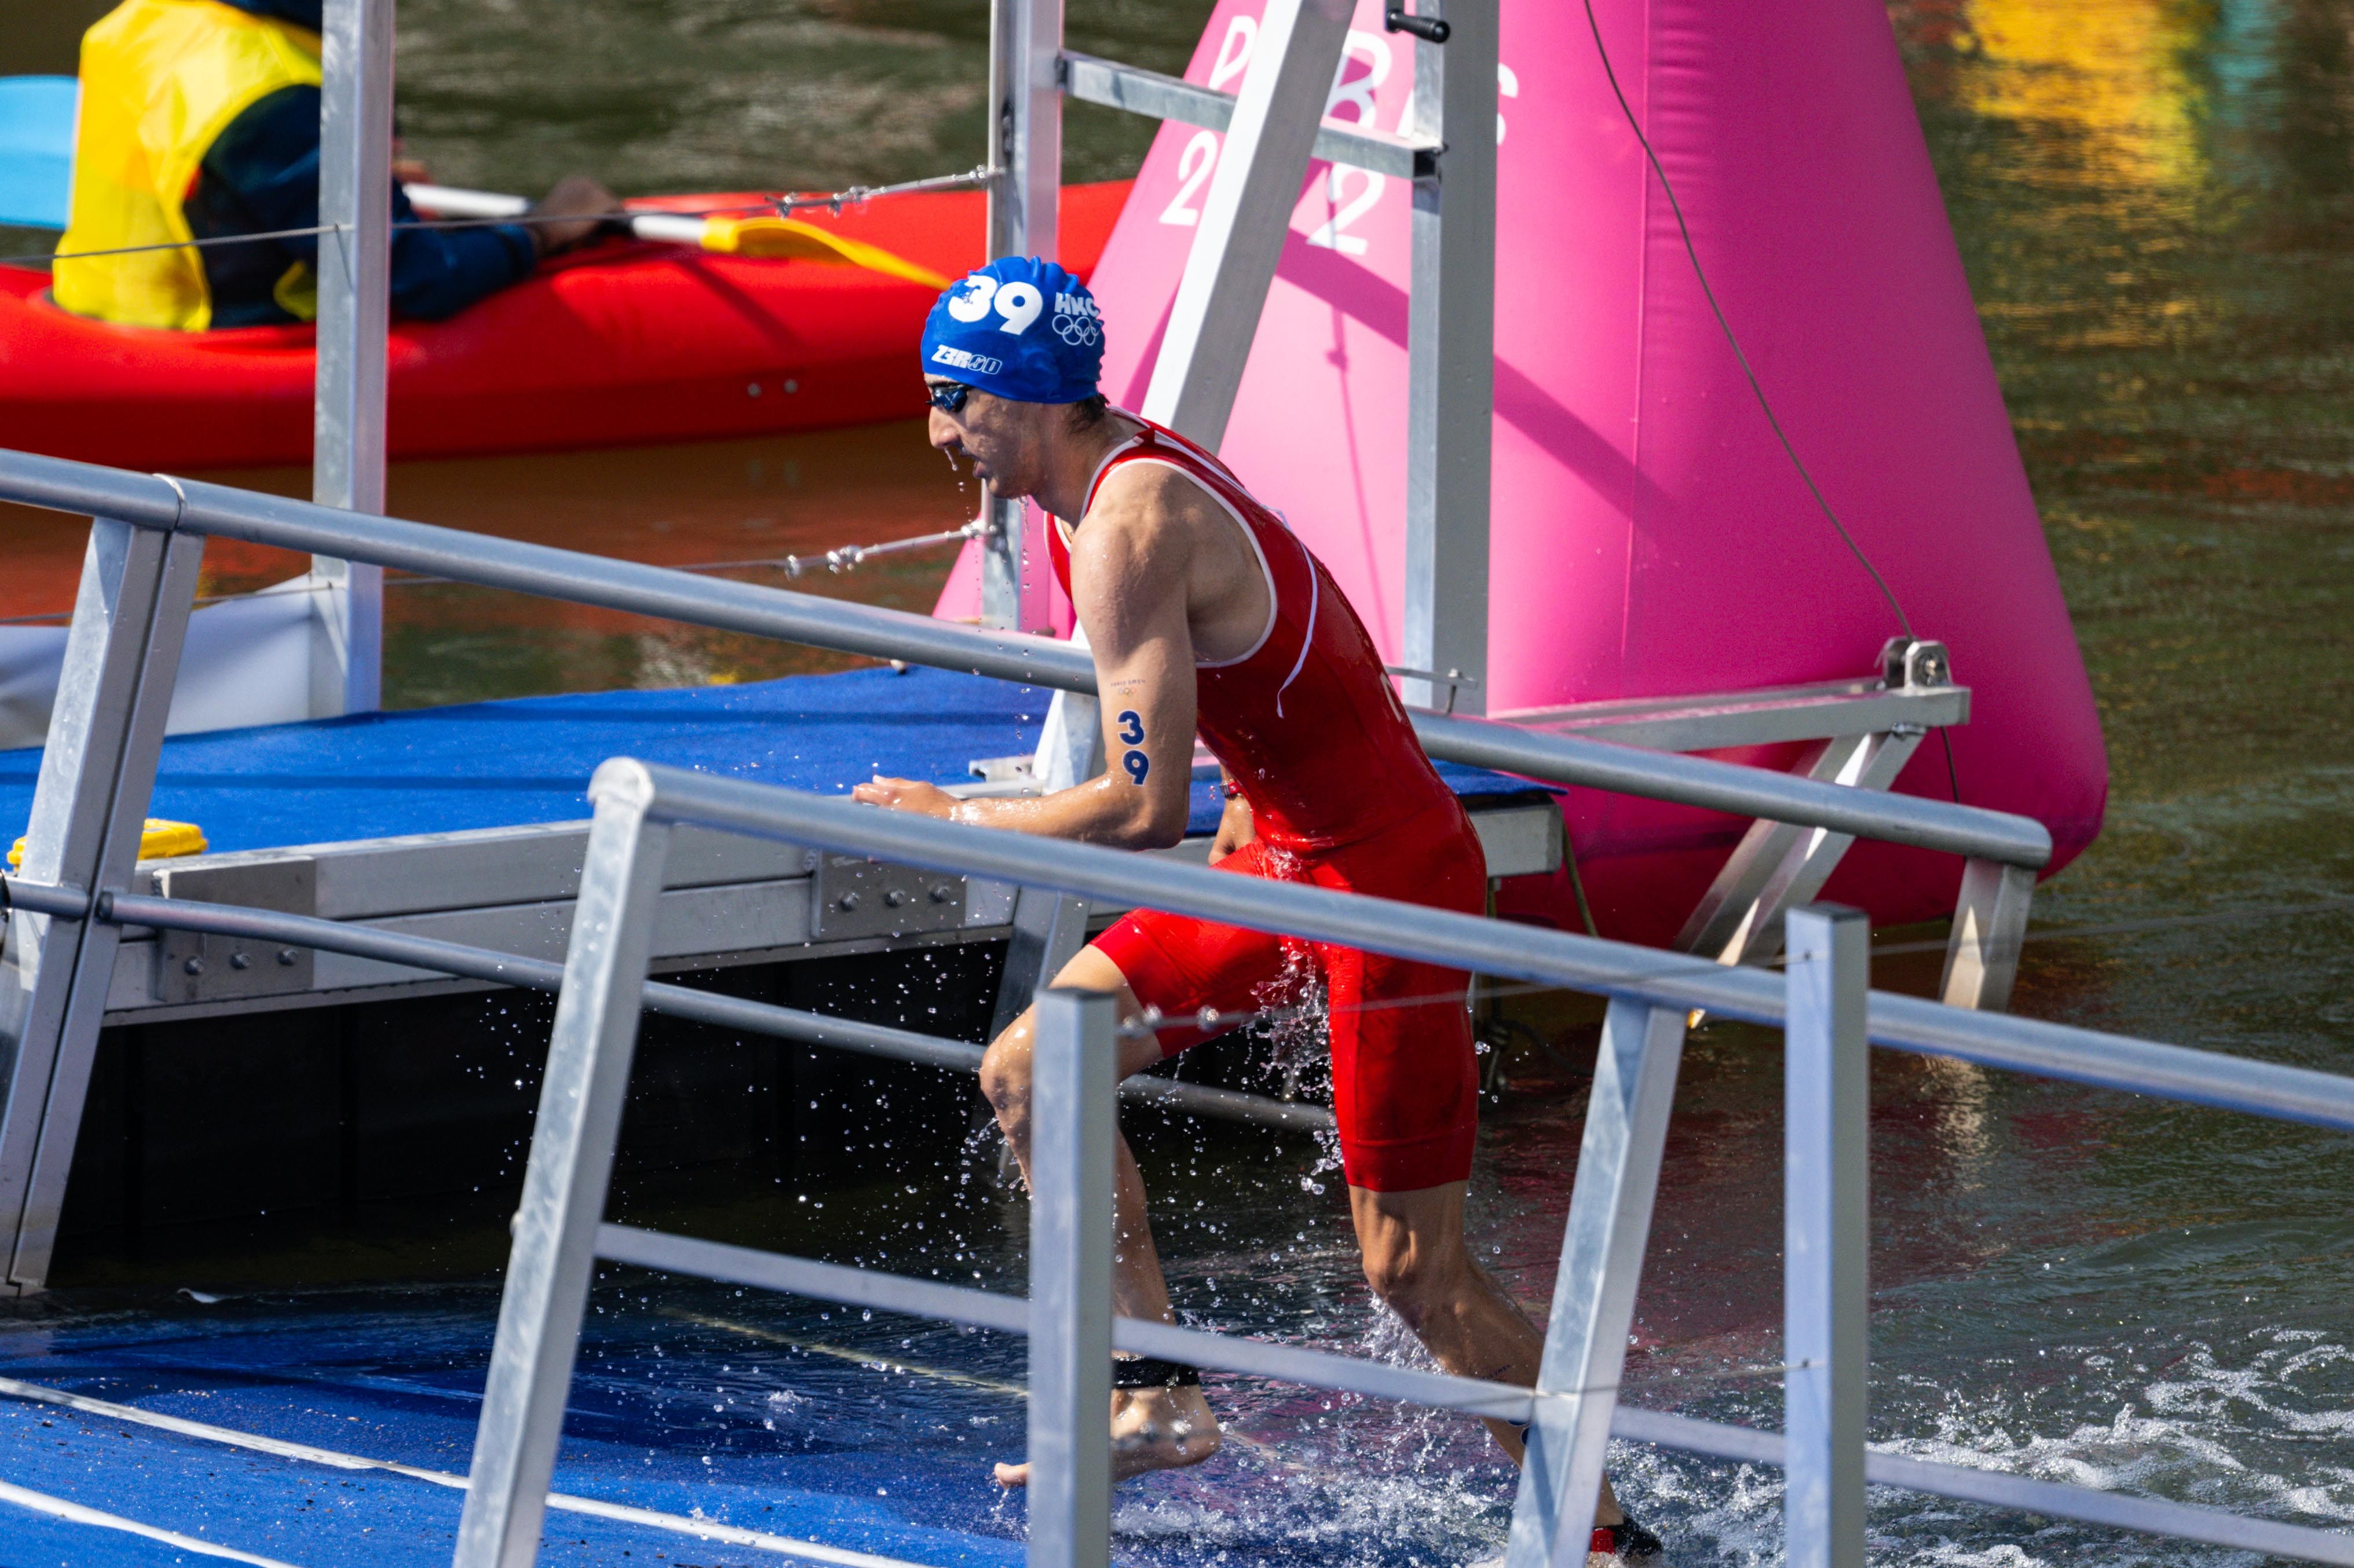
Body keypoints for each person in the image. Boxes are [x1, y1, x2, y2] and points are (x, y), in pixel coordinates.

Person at [852, 257, 1663, 1562]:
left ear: (1028, 402)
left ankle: (1610, 1541)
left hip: (1393, 890)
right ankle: (1156, 1392)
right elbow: (1259, 685)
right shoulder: (1098, 481)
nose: (938, 431)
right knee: (1037, 1066)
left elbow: (1131, 809)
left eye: (955, 402)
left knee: (1413, 1275)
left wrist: (952, 822)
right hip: (1293, 856)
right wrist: (1258, 793)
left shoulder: (1124, 522)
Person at [53, 0, 614, 331]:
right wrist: (545, 228)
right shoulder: (273, 95)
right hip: (213, 340)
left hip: (87, 309)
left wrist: (352, 179)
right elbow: (418, 280)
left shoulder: (142, 18)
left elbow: (191, 167)